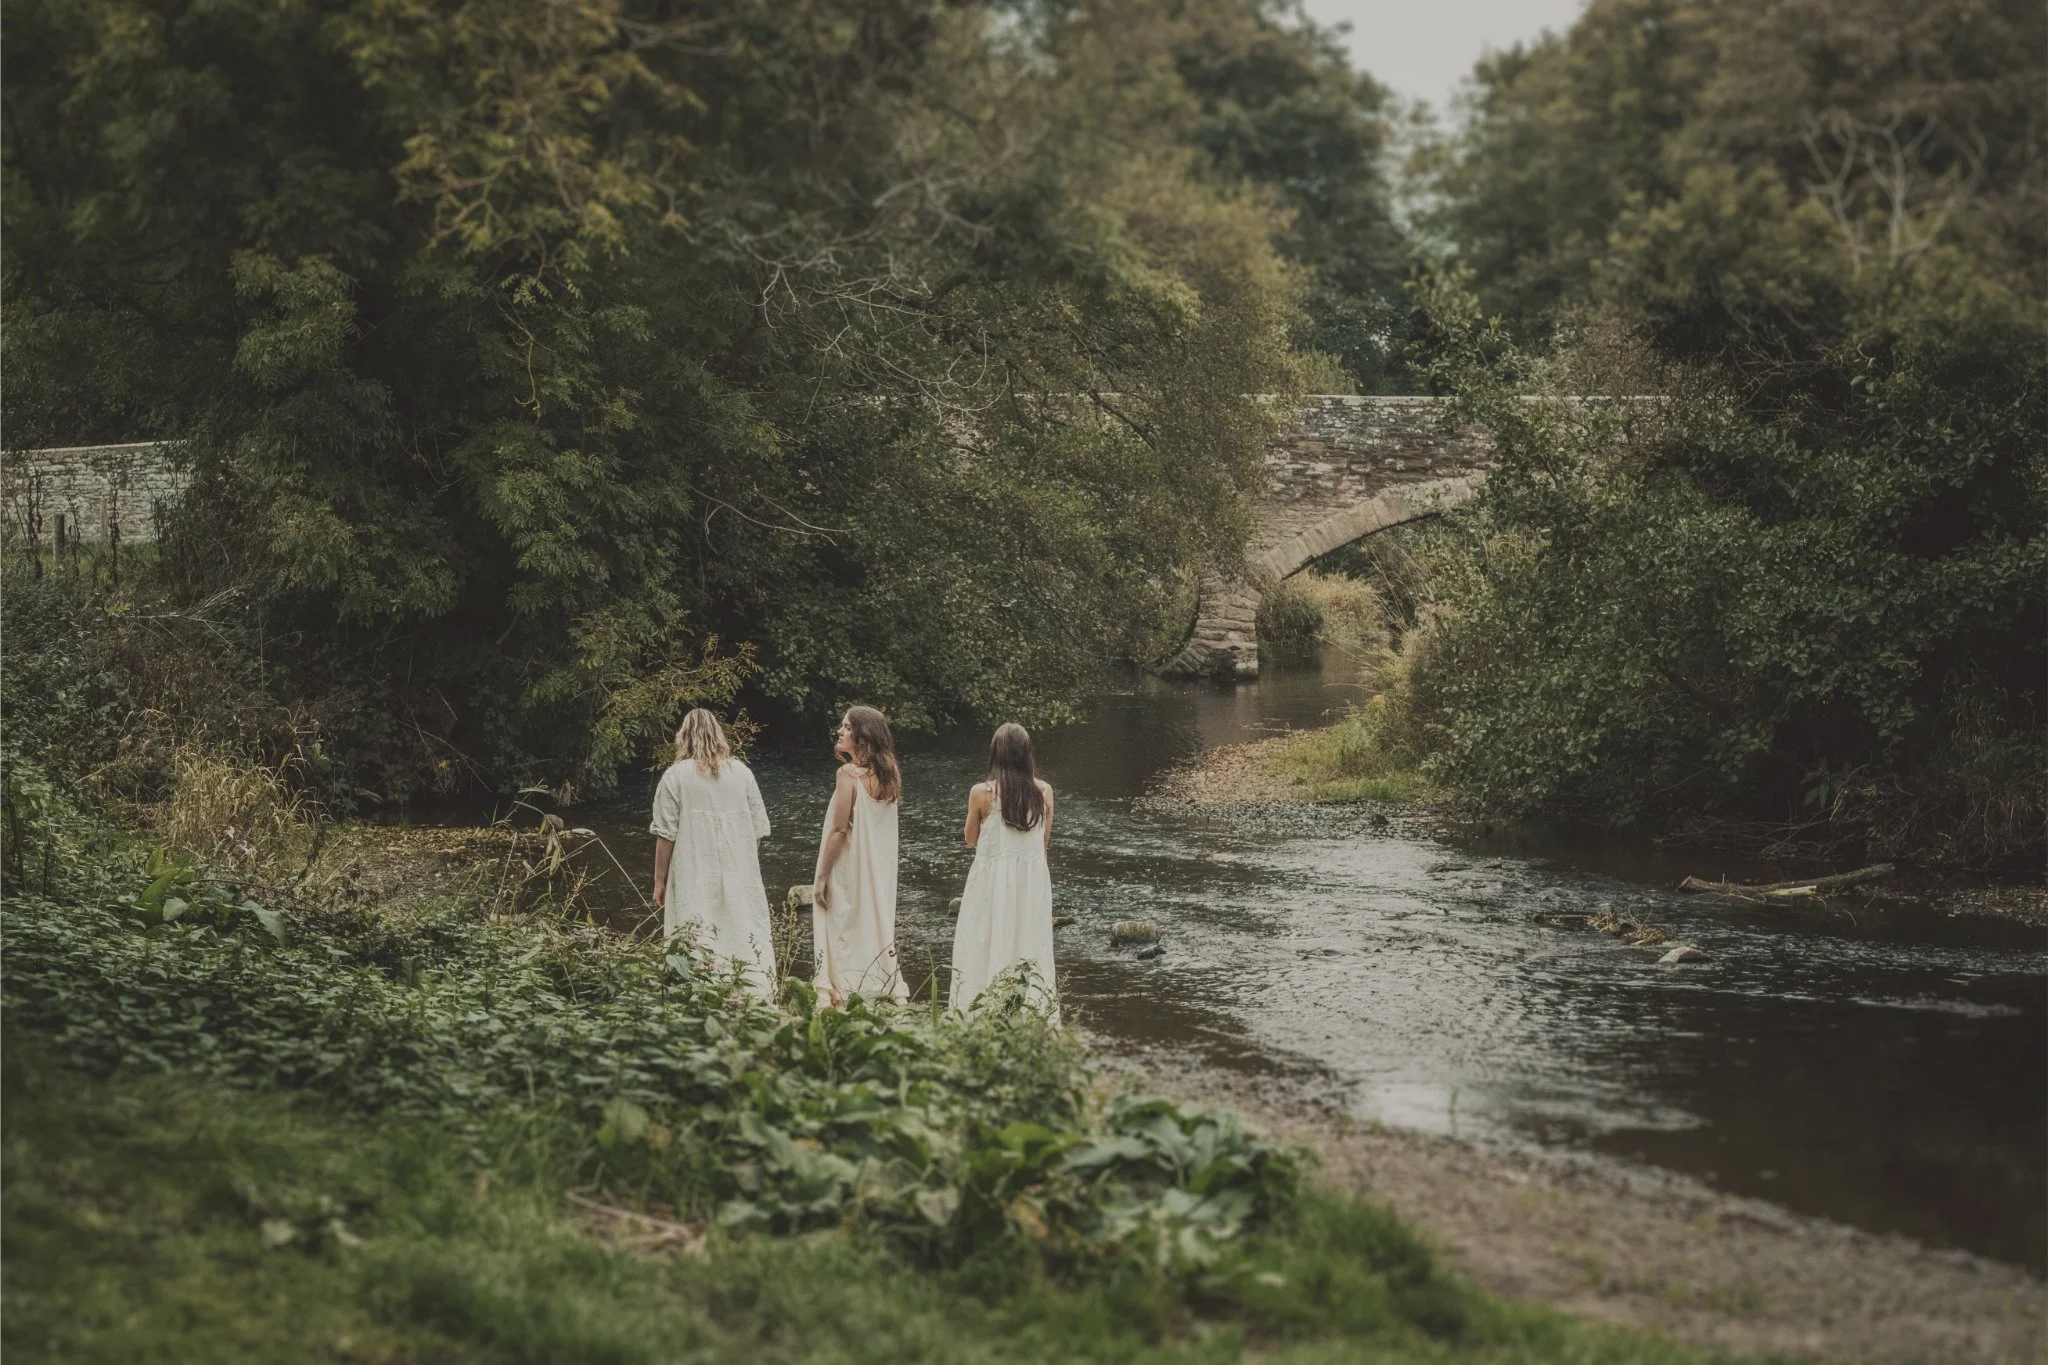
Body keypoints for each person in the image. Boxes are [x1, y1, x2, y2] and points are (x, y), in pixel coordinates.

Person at [649, 708, 776, 1000]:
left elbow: (665, 834)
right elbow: (758, 829)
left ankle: (698, 990)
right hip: (740, 869)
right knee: (742, 923)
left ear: (684, 737)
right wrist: (741, 860)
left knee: (695, 921)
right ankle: (753, 991)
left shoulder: (675, 776)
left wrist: (659, 881)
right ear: (718, 734)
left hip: (693, 868)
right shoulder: (742, 772)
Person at [950, 722, 1058, 1022]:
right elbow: (1043, 841)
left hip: (991, 879)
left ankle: (980, 1013)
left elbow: (971, 839)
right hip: (1032, 880)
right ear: (1026, 754)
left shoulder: (981, 793)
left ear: (996, 753)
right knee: (1029, 942)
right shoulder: (1045, 792)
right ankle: (1030, 1015)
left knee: (982, 939)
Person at [811, 705, 908, 1006]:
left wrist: (821, 877)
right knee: (869, 924)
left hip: (848, 866)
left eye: (847, 727)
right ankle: (875, 987)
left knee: (841, 928)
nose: (840, 732)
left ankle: (843, 994)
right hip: (878, 869)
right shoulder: (890, 774)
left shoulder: (847, 774)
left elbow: (839, 830)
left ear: (863, 736)